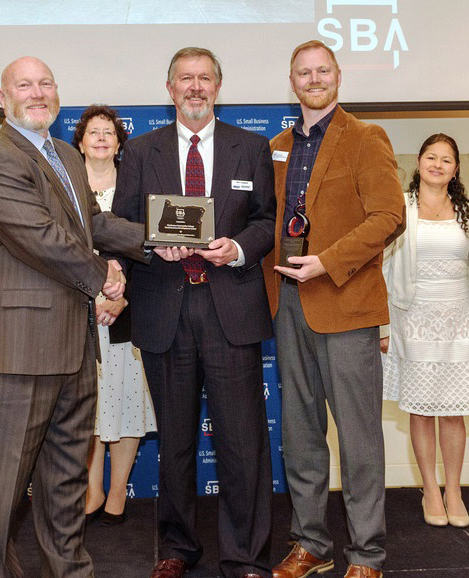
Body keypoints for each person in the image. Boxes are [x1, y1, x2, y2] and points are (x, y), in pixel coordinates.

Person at [0, 56, 147, 578]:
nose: (37, 92)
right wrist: (104, 276)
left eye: (46, 83)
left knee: (65, 483)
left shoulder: (65, 156)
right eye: (24, 85)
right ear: (3, 98)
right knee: (2, 488)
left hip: (74, 347)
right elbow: (42, 241)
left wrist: (162, 242)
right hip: (18, 350)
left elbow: (94, 223)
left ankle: (69, 572)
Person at [112, 47, 275, 578]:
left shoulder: (250, 147)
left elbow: (266, 220)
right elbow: (122, 224)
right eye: (186, 79)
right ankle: (176, 549)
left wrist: (238, 248)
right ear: (170, 88)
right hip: (165, 309)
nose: (196, 87)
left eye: (205, 78)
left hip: (231, 305)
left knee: (242, 442)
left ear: (218, 87)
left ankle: (246, 555)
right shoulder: (140, 151)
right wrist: (151, 246)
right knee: (175, 441)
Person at [263, 40, 405, 578]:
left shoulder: (366, 137)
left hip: (345, 301)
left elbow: (389, 214)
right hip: (288, 303)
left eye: (323, 70)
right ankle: (311, 542)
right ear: (292, 80)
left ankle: (367, 554)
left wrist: (329, 261)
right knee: (299, 433)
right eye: (304, 72)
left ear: (338, 76)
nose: (314, 78)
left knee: (359, 435)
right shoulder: (275, 145)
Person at [72, 105, 156, 526]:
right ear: (81, 141)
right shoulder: (64, 185)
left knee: (124, 402)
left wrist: (123, 297)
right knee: (86, 405)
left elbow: (152, 248)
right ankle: (92, 488)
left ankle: (118, 490)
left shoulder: (137, 186)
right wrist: (93, 290)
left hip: (129, 311)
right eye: (93, 132)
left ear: (120, 142)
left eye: (109, 132)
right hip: (74, 311)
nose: (102, 138)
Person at [382, 133, 469, 529]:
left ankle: (454, 489)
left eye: (446, 159)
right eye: (431, 157)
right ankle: (430, 489)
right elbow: (381, 268)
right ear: (419, 163)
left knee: (453, 411)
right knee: (420, 409)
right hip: (411, 319)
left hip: (458, 323)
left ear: (455, 169)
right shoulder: (400, 206)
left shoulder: (466, 211)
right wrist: (382, 325)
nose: (438, 164)